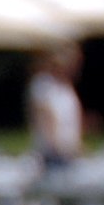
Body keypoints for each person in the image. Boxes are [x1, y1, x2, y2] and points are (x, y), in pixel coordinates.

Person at [29, 43, 87, 172]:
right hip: (53, 155)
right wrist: (58, 146)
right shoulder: (44, 85)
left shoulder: (66, 87)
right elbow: (46, 117)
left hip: (69, 153)